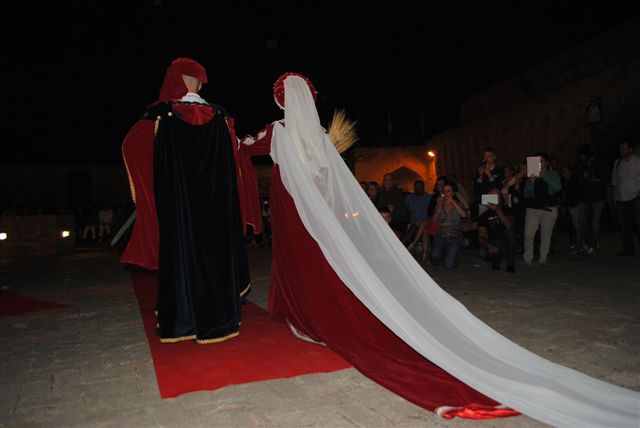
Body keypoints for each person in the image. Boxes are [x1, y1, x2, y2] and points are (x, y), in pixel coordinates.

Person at [238, 72, 638, 426]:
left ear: (282, 100)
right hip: (319, 214)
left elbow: (244, 146)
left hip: (293, 211)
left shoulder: (278, 131)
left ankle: (305, 312)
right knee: (321, 263)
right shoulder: (321, 136)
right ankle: (309, 310)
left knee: (301, 264)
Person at [120, 58, 251, 344]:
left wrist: (150, 189)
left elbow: (131, 146)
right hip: (216, 208)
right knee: (216, 257)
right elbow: (235, 160)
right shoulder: (220, 115)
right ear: (200, 83)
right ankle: (221, 321)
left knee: (182, 255)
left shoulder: (160, 115)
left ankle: (184, 322)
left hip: (178, 207)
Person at [522, 152, 561, 266]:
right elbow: (526, 194)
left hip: (549, 209)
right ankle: (527, 259)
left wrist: (544, 176)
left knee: (545, 235)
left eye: (541, 161)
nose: (539, 163)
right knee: (528, 234)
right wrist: (531, 182)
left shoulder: (552, 174)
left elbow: (557, 188)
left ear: (547, 163)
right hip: (533, 209)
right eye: (537, 161)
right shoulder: (532, 174)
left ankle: (543, 258)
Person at [477, 186, 516, 273]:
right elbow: (480, 236)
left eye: (496, 195)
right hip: (493, 242)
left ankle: (510, 264)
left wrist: (497, 210)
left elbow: (509, 226)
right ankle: (496, 260)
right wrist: (489, 245)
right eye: (491, 195)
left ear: (500, 198)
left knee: (509, 233)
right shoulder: (484, 216)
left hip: (506, 244)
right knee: (482, 252)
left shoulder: (507, 209)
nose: (493, 197)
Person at [611, 141, 640, 256]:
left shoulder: (637, 162)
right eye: (620, 148)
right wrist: (614, 198)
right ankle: (629, 249)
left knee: (638, 224)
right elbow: (614, 182)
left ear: (630, 149)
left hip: (635, 198)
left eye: (624, 148)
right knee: (624, 226)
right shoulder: (618, 162)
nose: (621, 150)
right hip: (621, 199)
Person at [430, 183, 467, 270]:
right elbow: (434, 220)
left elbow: (464, 215)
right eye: (444, 191)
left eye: (449, 191)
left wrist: (452, 202)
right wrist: (439, 206)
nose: (446, 193)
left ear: (453, 193)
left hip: (455, 238)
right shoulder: (439, 203)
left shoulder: (458, 203)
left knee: (448, 267)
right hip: (440, 238)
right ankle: (447, 254)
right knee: (435, 256)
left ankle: (454, 255)